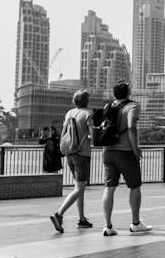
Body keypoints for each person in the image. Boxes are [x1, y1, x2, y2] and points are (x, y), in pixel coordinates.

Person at [101, 80, 152, 236]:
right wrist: (135, 149)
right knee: (135, 186)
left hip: (108, 152)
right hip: (125, 152)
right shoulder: (133, 106)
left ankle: (108, 226)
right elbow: (131, 127)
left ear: (115, 93)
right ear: (128, 92)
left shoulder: (108, 106)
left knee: (109, 188)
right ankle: (135, 223)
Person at [50, 89, 95, 233]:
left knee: (78, 187)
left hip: (69, 152)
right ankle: (59, 214)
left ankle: (82, 219)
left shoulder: (69, 113)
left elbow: (65, 131)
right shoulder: (88, 113)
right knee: (79, 188)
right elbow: (92, 135)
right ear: (86, 101)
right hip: (82, 154)